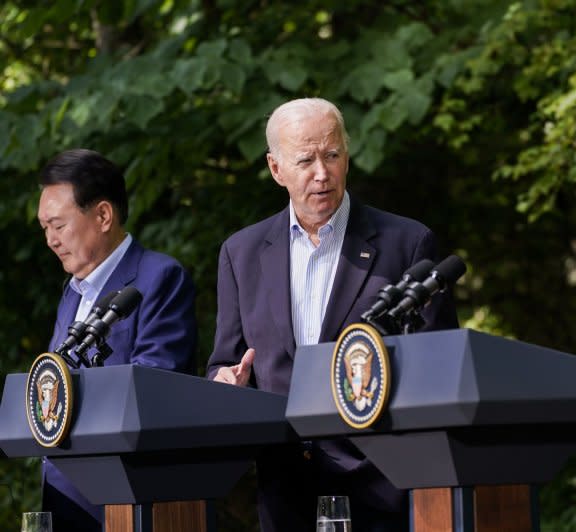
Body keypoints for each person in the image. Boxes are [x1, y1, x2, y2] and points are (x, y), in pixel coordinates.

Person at [206, 97, 458, 531]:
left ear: (347, 155)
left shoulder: (407, 243)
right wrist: (225, 381)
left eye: (333, 155)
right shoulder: (241, 253)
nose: (322, 173)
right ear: (276, 169)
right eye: (305, 160)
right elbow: (223, 361)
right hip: (285, 491)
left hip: (383, 489)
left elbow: (441, 367)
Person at [37, 148, 198, 531]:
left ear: (103, 215)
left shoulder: (159, 277)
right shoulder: (71, 292)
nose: (50, 240)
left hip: (128, 501)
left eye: (58, 225)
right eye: (44, 228)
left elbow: (154, 383)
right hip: (64, 500)